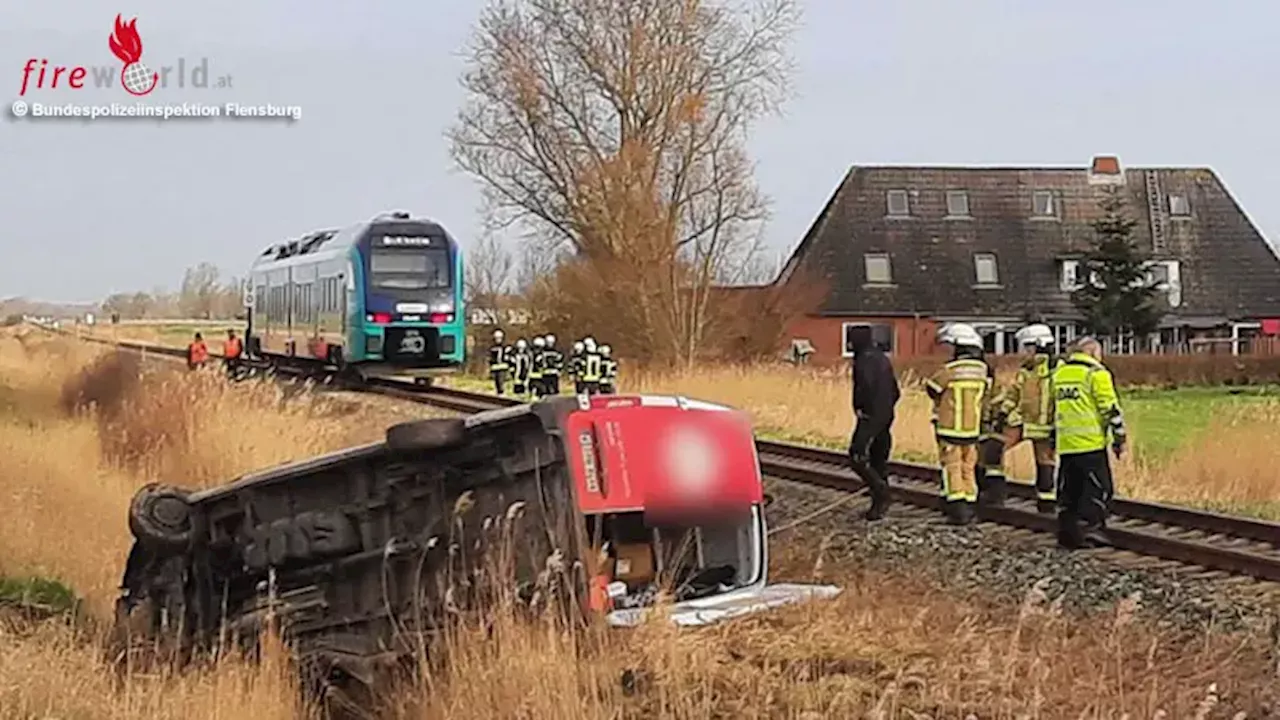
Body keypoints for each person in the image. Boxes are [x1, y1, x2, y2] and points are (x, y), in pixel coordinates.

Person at [1052, 336, 1126, 549]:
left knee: (1069, 492)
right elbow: (1110, 410)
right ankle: (1091, 531)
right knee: (1097, 490)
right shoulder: (1096, 374)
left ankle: (1067, 535)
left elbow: (1051, 409)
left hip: (1066, 444)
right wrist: (1119, 438)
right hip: (1091, 444)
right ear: (1093, 352)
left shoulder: (1059, 375)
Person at [979, 324, 1060, 512]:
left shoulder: (1057, 370)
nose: (1023, 353)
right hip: (1021, 422)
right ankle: (995, 496)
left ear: (1039, 345)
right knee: (993, 449)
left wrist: (1058, 425)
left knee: (1045, 464)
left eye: (1026, 348)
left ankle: (1046, 505)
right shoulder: (1026, 370)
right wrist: (1003, 413)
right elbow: (1014, 394)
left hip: (1046, 427)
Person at [925, 323, 989, 525]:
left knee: (951, 467)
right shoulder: (982, 370)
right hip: (972, 429)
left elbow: (932, 387)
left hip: (950, 427)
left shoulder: (950, 370)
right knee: (968, 467)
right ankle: (971, 504)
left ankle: (957, 509)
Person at [846, 325, 900, 521]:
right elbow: (896, 390)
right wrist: (888, 407)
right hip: (887, 413)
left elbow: (864, 387)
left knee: (857, 456)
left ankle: (881, 492)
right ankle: (879, 504)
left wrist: (862, 408)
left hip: (870, 415)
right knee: (879, 457)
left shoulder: (863, 360)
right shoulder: (882, 358)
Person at [488, 329, 510, 395]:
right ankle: (499, 393)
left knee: (501, 383)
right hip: (495, 369)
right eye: (496, 338)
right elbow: (491, 359)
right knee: (496, 383)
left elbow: (508, 358)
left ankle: (502, 393)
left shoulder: (505, 348)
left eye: (499, 338)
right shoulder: (492, 348)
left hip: (502, 368)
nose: (497, 340)